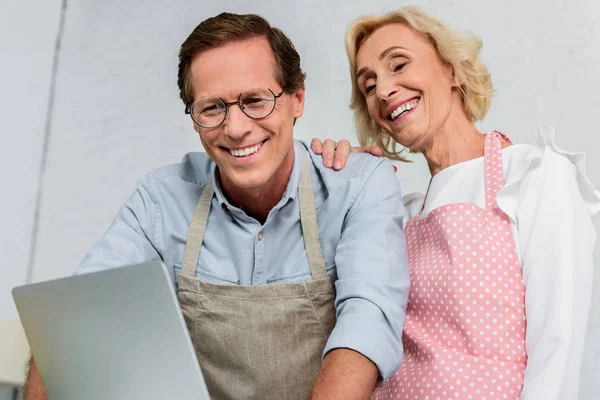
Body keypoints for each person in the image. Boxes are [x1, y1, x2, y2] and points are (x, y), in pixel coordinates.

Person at [23, 12, 411, 400]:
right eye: (212, 108)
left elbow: (366, 323)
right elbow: (73, 320)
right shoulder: (161, 201)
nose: (237, 128)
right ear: (194, 120)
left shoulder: (358, 186)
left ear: (297, 99)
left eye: (255, 100)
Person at [312, 6, 599, 400]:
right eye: (368, 85)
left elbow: (557, 353)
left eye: (398, 64)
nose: (382, 90)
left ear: (451, 68)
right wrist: (343, 185)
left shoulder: (534, 175)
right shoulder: (402, 214)